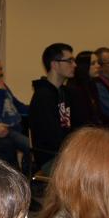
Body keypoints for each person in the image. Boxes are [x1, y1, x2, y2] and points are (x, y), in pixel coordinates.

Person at [29, 43, 74, 173]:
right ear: (54, 64)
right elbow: (52, 138)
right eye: (69, 61)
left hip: (66, 154)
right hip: (51, 158)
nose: (74, 65)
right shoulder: (43, 97)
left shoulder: (63, 92)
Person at [67, 51, 109, 131]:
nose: (98, 66)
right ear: (84, 67)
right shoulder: (75, 90)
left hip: (97, 130)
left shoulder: (92, 85)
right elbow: (86, 125)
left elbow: (99, 116)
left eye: (97, 62)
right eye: (93, 63)